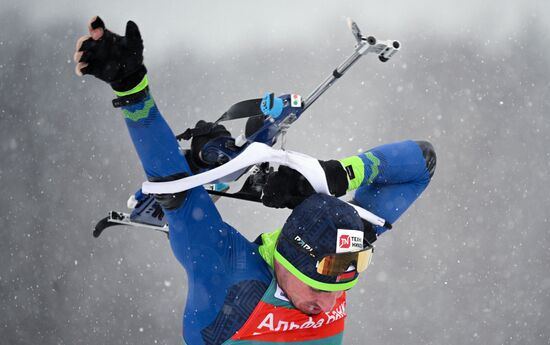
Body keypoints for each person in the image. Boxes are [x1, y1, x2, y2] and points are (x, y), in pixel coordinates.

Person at [74, 16, 436, 345]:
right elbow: (172, 186)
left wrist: (338, 174)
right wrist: (132, 89)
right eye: (317, 288)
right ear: (291, 259)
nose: (326, 305)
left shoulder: (343, 254)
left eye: (336, 291)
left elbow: (423, 162)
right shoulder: (227, 273)